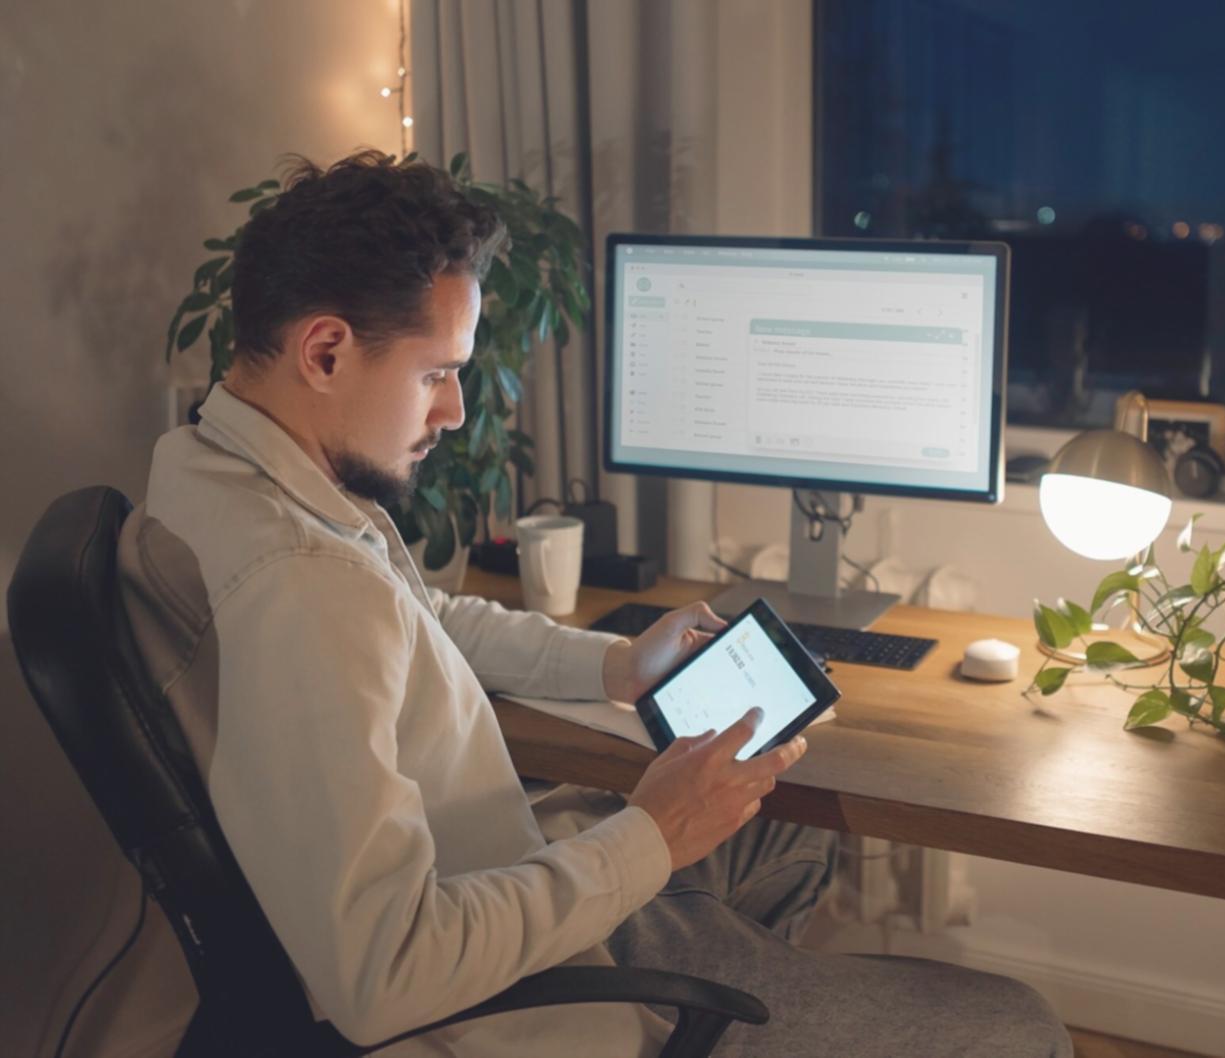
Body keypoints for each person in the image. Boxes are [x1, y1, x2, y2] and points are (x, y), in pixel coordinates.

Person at [119, 149, 1071, 1057]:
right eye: (437, 372)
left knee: (779, 803)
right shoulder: (303, 588)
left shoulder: (216, 465)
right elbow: (385, 974)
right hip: (527, 989)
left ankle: (750, 993)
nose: (453, 412)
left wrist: (616, 665)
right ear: (324, 351)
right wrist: (651, 835)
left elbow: (421, 616)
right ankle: (710, 1013)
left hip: (527, 874)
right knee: (1022, 1027)